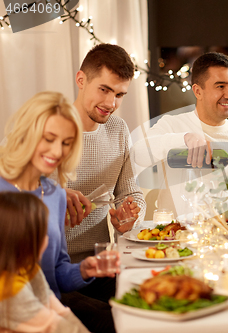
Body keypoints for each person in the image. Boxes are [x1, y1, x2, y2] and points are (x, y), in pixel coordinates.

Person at [0, 91, 119, 332]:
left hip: (52, 306)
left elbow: (56, 273)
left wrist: (85, 269)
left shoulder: (54, 194)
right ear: (27, 133)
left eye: (66, 143)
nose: (57, 152)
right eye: (49, 138)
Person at [133, 52, 228, 217]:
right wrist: (185, 139)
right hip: (178, 237)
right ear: (197, 91)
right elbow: (139, 153)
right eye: (220, 86)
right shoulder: (172, 125)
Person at [63, 43, 146, 262]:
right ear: (81, 80)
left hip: (100, 260)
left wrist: (131, 215)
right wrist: (52, 197)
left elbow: (129, 191)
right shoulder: (48, 127)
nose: (111, 103)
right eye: (104, 89)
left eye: (119, 94)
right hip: (48, 266)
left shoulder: (118, 129)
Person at [0, 192, 89, 333]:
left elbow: (57, 309)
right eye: (43, 232)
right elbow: (59, 328)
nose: (48, 238)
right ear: (27, 241)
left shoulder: (30, 268)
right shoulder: (10, 292)